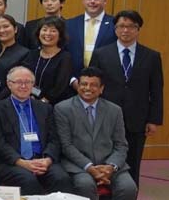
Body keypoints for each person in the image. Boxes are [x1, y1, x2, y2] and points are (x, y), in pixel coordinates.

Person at [89, 10, 163, 185]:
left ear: (138, 30)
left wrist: (154, 120)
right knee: (103, 159)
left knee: (133, 163)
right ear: (115, 29)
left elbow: (157, 89)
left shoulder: (151, 56)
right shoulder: (101, 54)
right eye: (122, 26)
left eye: (131, 26)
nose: (126, 30)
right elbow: (91, 85)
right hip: (105, 117)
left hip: (137, 119)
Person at [0, 66, 73, 195]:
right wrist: (22, 162)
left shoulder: (45, 108)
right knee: (28, 180)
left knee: (61, 178)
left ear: (33, 85)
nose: (23, 86)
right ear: (9, 84)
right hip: (12, 162)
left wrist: (47, 160)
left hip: (42, 160)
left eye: (28, 82)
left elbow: (54, 139)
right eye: (19, 82)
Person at [55, 67, 137, 200]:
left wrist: (111, 166)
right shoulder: (62, 109)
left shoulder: (114, 110)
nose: (88, 88)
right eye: (84, 84)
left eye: (93, 85)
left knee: (128, 187)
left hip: (109, 165)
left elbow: (121, 145)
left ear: (101, 89)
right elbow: (66, 146)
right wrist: (90, 167)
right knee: (85, 185)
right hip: (79, 166)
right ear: (78, 85)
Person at [66, 0, 117, 83]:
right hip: (74, 82)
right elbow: (64, 53)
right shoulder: (69, 24)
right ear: (83, 1)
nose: (92, 1)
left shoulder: (115, 24)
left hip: (105, 83)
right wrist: (72, 80)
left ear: (105, 1)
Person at [22, 17, 72, 105]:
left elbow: (60, 86)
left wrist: (43, 101)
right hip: (27, 100)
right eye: (44, 30)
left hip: (52, 105)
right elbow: (23, 77)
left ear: (60, 36)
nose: (48, 34)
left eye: (53, 31)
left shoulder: (65, 57)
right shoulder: (32, 54)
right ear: (38, 33)